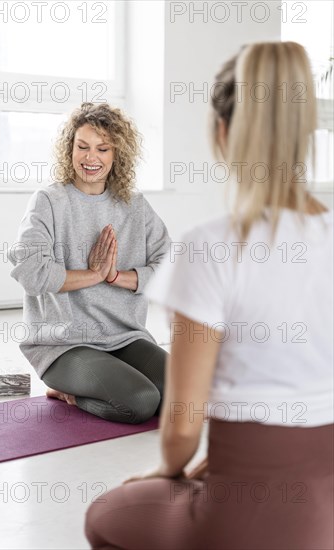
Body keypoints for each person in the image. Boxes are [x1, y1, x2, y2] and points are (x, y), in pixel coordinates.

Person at [85, 42, 334, 549]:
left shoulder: (210, 246)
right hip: (322, 514)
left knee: (109, 515)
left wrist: (168, 472)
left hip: (240, 520)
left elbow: (181, 428)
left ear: (222, 133)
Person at [8, 103, 171, 424]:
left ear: (117, 154)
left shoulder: (134, 205)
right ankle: (67, 391)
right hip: (64, 344)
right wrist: (92, 274)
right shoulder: (49, 201)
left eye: (102, 148)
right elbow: (31, 273)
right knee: (141, 401)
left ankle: (100, 382)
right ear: (69, 149)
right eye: (82, 147)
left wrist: (115, 277)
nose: (90, 157)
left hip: (124, 336)